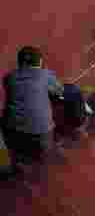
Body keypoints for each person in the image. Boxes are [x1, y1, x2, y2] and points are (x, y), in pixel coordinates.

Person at [2, 46, 65, 174]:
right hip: (42, 133)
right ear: (40, 62)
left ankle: (18, 162)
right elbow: (60, 91)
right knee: (43, 156)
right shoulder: (46, 75)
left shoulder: (9, 77)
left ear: (19, 62)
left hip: (13, 130)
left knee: (17, 151)